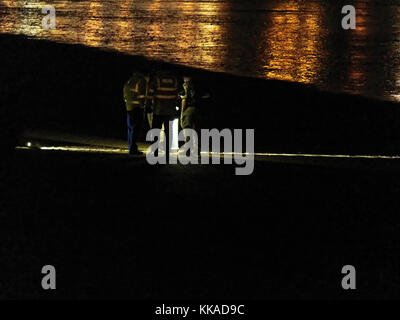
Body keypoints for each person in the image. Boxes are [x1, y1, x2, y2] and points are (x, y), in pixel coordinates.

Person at [149, 69, 179, 159]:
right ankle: (167, 155)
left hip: (158, 110)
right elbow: (179, 92)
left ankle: (155, 153)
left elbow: (150, 92)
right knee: (168, 133)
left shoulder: (157, 78)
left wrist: (150, 105)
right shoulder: (174, 79)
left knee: (156, 132)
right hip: (170, 111)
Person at [123, 72, 150, 155]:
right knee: (136, 128)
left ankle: (131, 146)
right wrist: (143, 106)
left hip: (129, 106)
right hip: (137, 107)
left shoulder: (130, 80)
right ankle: (133, 148)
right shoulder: (141, 80)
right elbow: (141, 96)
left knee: (131, 128)